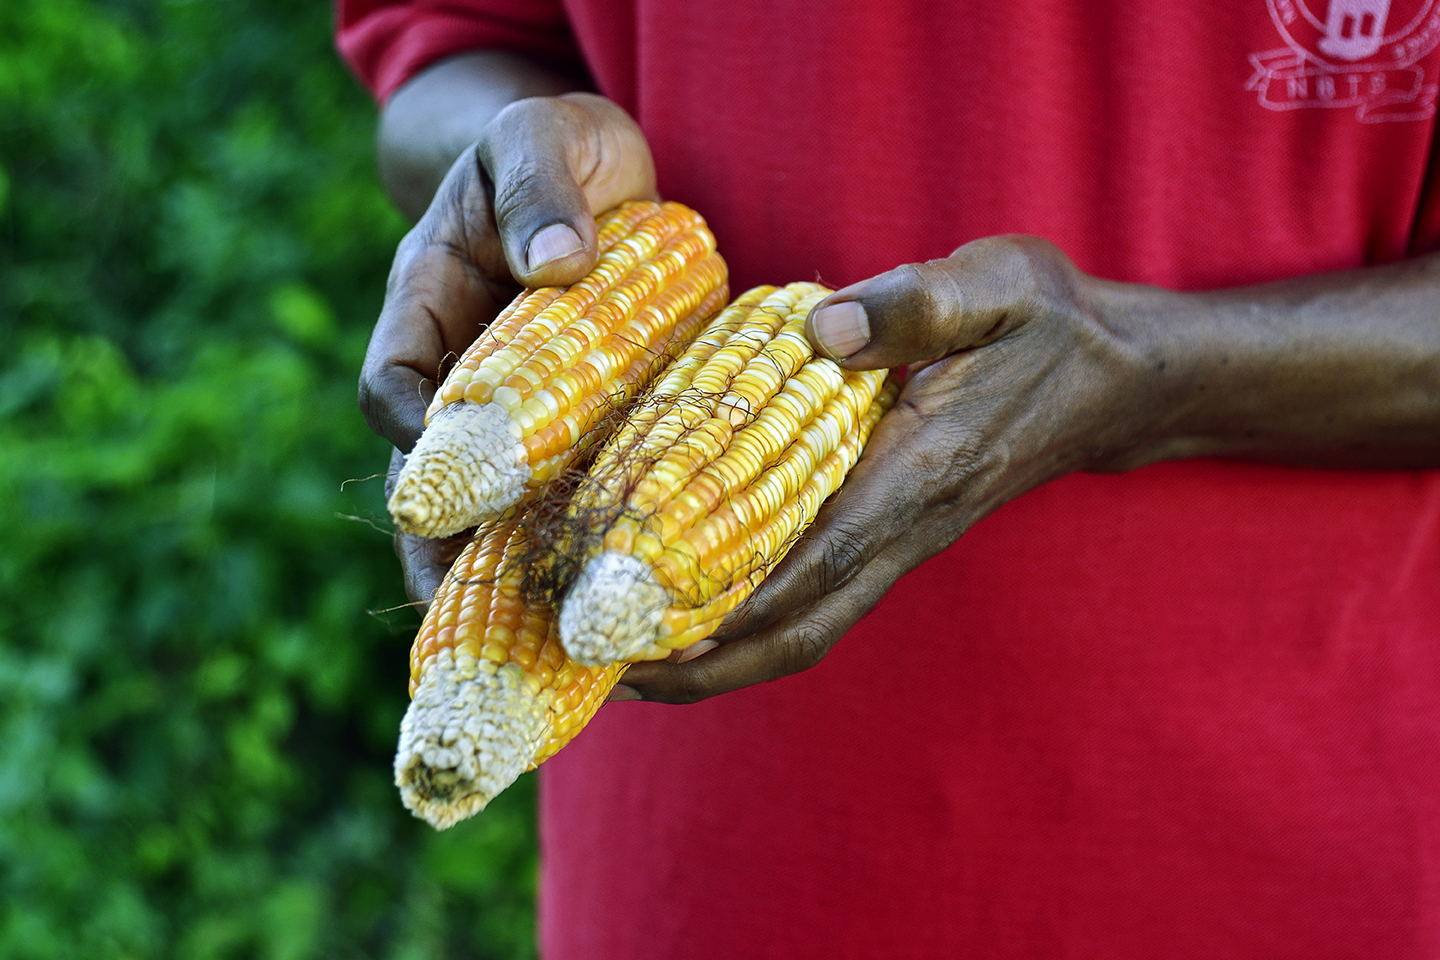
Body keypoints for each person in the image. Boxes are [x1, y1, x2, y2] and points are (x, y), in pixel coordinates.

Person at [337, 2, 1440, 956]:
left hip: (1289, 861)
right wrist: (517, 173)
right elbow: (448, 48)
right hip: (717, 863)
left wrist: (1156, 373)